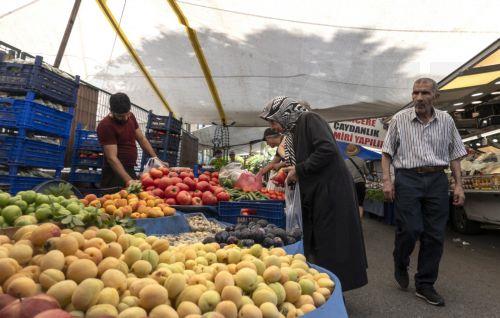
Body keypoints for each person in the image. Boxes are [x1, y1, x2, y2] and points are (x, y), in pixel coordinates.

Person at [260, 96, 368, 291]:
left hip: (331, 191)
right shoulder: (296, 128)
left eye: (273, 120)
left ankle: (333, 289)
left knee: (332, 242)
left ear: (286, 113)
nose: (274, 126)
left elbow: (327, 150)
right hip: (320, 190)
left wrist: (299, 170)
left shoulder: (310, 119)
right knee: (321, 241)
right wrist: (296, 171)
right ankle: (326, 287)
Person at [381, 78, 466, 306]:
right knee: (410, 229)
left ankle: (425, 284)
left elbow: (455, 154)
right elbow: (387, 153)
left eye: (425, 93)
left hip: (438, 179)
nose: (419, 97)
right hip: (408, 179)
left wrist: (458, 185)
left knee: (435, 235)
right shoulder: (399, 119)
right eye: (415, 93)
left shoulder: (446, 120)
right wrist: (387, 181)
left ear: (435, 96)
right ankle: (401, 259)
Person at [97, 93, 157, 188]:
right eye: (120, 116)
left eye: (127, 114)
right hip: (114, 173)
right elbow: (112, 158)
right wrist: (129, 180)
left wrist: (155, 159)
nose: (125, 118)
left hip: (130, 168)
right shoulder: (106, 125)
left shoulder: (131, 116)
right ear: (111, 111)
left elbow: (141, 139)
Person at [345, 144, 370, 218]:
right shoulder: (361, 160)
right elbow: (367, 173)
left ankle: (350, 221)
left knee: (350, 203)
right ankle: (359, 222)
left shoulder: (345, 162)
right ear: (356, 151)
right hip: (360, 184)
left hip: (350, 184)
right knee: (360, 204)